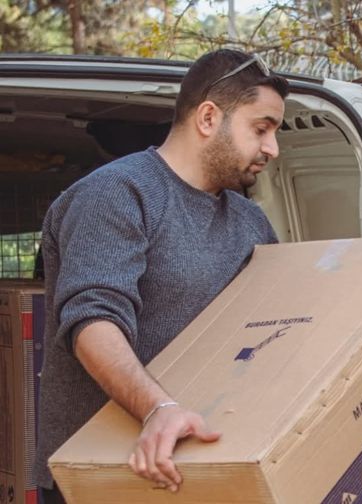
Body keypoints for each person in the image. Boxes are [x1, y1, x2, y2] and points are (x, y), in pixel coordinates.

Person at [34, 49, 289, 503]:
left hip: (204, 473)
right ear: (209, 117)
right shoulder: (117, 193)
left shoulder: (252, 223)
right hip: (102, 479)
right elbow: (93, 321)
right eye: (261, 128)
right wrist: (159, 409)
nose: (272, 148)